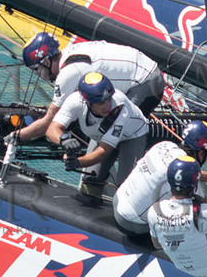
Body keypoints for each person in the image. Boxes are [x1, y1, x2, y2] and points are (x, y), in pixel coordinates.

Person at [11, 33, 167, 147]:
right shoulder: (68, 54)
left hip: (146, 82)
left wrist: (16, 136)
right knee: (100, 128)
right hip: (140, 74)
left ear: (46, 62)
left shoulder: (68, 73)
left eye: (36, 69)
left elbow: (49, 122)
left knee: (113, 135)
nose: (38, 75)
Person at [45, 71, 150, 204]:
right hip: (102, 136)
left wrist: (78, 162)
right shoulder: (75, 101)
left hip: (132, 136)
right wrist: (64, 139)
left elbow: (103, 151)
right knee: (90, 183)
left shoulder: (120, 108)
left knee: (126, 186)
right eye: (101, 103)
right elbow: (52, 129)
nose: (107, 106)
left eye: (109, 100)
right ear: (87, 102)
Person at [112, 121, 207, 236]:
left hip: (118, 200)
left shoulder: (164, 145)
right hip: (131, 223)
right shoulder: (186, 173)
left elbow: (182, 170)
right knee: (196, 220)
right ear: (201, 153)